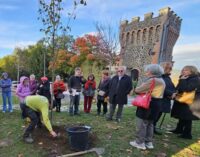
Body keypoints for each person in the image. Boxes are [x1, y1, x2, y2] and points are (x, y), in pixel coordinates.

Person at [130, 64, 165, 150]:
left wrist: (136, 88)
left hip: (148, 104)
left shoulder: (152, 80)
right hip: (157, 103)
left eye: (148, 70)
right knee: (150, 123)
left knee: (142, 123)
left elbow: (138, 90)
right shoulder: (161, 80)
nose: (146, 72)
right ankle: (148, 142)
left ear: (152, 72)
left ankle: (140, 142)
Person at [171, 65, 200, 139]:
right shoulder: (184, 77)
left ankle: (187, 134)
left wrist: (182, 80)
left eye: (186, 70)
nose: (183, 71)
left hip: (190, 101)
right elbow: (179, 87)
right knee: (182, 116)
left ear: (192, 71)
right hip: (184, 100)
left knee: (187, 117)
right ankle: (179, 129)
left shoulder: (195, 79)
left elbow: (187, 89)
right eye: (183, 70)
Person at [153, 62, 176, 135]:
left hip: (165, 99)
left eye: (170, 68)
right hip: (159, 99)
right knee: (154, 115)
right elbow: (161, 88)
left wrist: (174, 93)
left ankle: (153, 128)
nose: (170, 70)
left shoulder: (167, 77)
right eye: (169, 68)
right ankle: (150, 129)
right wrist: (170, 93)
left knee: (158, 115)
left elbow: (172, 87)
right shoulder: (159, 77)